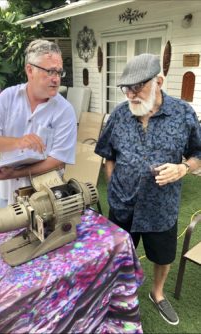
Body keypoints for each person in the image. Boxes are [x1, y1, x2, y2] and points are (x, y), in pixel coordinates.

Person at [95, 53, 201, 326]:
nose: (130, 94)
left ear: (159, 81)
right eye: (126, 88)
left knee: (162, 255)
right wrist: (113, 187)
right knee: (118, 254)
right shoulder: (119, 114)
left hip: (161, 206)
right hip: (122, 204)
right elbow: (108, 154)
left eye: (137, 87)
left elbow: (199, 153)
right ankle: (115, 294)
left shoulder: (183, 113)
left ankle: (157, 293)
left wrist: (183, 169)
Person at [0, 39, 77, 208]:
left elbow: (58, 160)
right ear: (30, 70)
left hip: (46, 197)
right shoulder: (7, 97)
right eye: (50, 71)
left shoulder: (65, 110)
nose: (56, 79)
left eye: (59, 72)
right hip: (7, 195)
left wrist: (14, 173)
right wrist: (18, 142)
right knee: (6, 233)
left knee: (46, 234)